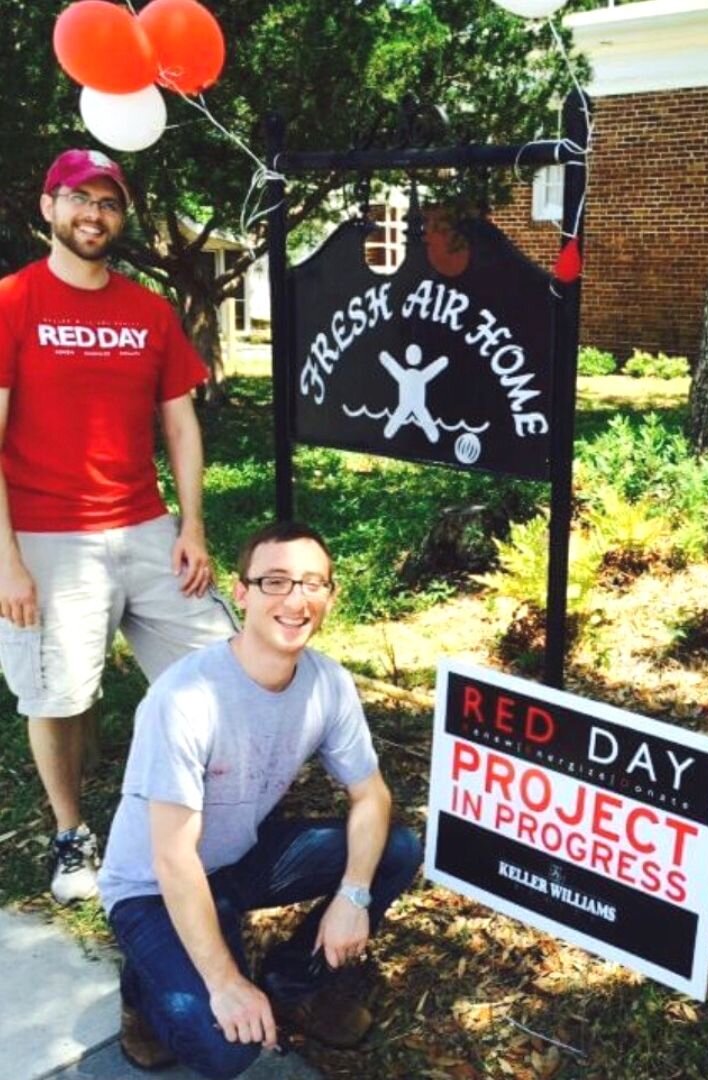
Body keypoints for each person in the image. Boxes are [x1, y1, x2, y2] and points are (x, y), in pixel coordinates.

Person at [98, 520, 424, 1078]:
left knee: (395, 851)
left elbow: (371, 795)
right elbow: (173, 859)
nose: (295, 600)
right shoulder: (183, 698)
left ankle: (292, 983)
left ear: (329, 596)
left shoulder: (329, 683)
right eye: (275, 582)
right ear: (241, 593)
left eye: (312, 583)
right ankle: (144, 994)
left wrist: (354, 896)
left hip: (237, 858)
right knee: (224, 1044)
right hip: (153, 886)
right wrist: (226, 985)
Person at [0, 148, 236, 903]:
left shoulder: (147, 310)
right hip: (47, 536)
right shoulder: (13, 302)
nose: (92, 213)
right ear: (48, 208)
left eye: (107, 202)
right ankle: (71, 836)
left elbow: (181, 426)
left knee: (217, 666)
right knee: (58, 695)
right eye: (78, 198)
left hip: (145, 528)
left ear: (121, 215)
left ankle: (207, 815)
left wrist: (190, 526)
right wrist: (6, 561)